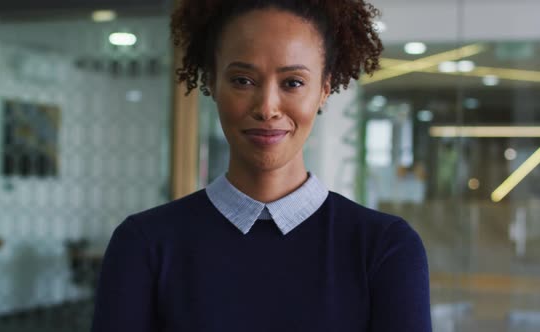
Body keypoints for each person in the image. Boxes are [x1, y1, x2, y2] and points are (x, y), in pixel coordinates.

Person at [91, 0, 432, 331]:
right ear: (211, 82)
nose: (267, 107)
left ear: (324, 89)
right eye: (243, 80)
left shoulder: (385, 248)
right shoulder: (145, 245)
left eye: (293, 83)